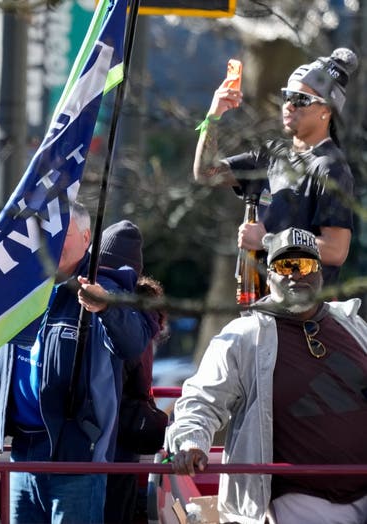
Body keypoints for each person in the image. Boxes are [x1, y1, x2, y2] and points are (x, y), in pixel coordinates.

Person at [0, 179, 155, 522]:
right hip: (23, 451)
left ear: (87, 239)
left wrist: (105, 308)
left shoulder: (104, 288)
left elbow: (133, 343)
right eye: (49, 233)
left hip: (77, 457)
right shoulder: (19, 281)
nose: (53, 241)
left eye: (64, 233)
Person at [166, 227, 367, 524]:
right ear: (269, 276)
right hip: (299, 500)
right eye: (285, 266)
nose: (295, 275)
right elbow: (201, 400)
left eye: (305, 265)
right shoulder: (244, 336)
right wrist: (192, 442)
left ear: (320, 273)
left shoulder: (351, 323)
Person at [193, 48, 359, 285]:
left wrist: (269, 241)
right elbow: (207, 173)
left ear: (326, 110)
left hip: (303, 304)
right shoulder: (271, 154)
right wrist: (213, 115)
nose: (289, 105)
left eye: (301, 99)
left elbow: (335, 250)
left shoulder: (331, 168)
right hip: (260, 296)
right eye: (287, 96)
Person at [105, 274, 168, 524]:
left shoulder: (129, 331)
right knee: (122, 502)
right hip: (132, 429)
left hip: (115, 431)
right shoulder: (148, 330)